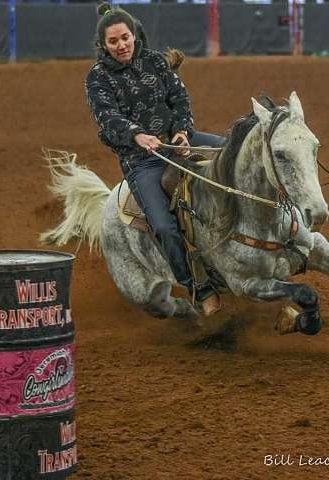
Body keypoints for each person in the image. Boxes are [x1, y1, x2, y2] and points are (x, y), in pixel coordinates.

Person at [86, 3, 225, 315]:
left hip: (178, 143)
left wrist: (183, 132)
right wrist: (137, 134)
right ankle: (197, 287)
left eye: (125, 38)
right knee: (163, 225)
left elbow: (179, 99)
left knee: (234, 155)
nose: (121, 45)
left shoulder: (154, 62)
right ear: (104, 46)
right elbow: (108, 117)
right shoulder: (97, 78)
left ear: (134, 35)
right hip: (141, 161)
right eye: (113, 42)